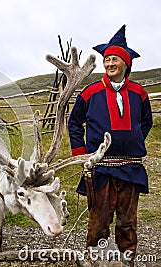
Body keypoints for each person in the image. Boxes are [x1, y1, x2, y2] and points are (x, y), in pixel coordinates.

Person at [68, 25, 153, 266]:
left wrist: (133, 140)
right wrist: (81, 153)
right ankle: (97, 262)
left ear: (126, 64)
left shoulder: (139, 93)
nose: (109, 63)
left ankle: (127, 262)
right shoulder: (90, 92)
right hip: (101, 168)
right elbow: (74, 122)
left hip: (130, 169)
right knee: (99, 222)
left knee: (127, 223)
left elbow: (146, 122)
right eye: (107, 59)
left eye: (115, 59)